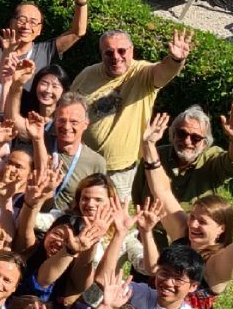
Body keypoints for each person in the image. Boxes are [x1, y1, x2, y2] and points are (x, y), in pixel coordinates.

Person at [68, 26, 192, 197]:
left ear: (131, 51)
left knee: (114, 218)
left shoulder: (142, 74)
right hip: (82, 161)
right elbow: (69, 107)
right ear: (101, 53)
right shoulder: (88, 74)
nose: (116, 57)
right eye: (109, 52)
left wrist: (175, 60)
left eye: (121, 51)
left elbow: (164, 71)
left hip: (118, 171)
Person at [135, 104, 233, 208]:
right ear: (173, 135)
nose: (187, 141)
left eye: (195, 138)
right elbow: (138, 193)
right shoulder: (155, 155)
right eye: (182, 134)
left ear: (205, 143)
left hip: (193, 229)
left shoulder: (210, 160)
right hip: (152, 227)